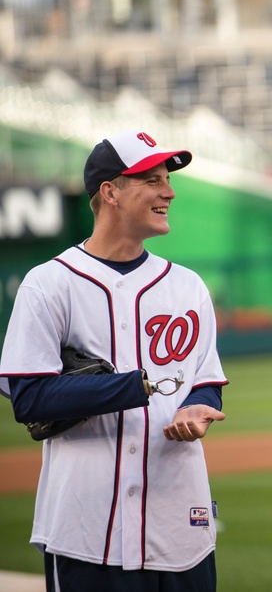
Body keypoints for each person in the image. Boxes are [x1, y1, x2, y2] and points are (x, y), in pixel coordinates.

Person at [0, 130, 228, 591]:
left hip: (179, 514)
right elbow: (28, 397)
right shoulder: (49, 284)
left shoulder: (187, 286)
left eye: (168, 179)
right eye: (152, 179)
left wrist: (196, 406)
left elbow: (204, 378)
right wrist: (135, 386)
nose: (169, 191)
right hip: (86, 521)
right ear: (110, 192)